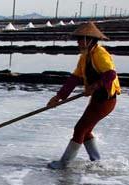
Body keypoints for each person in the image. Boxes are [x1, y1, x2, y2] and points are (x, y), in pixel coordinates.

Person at [46, 22, 121, 169]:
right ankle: (97, 161)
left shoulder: (100, 53)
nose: (78, 42)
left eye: (80, 39)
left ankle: (64, 164)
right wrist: (59, 97)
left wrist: (94, 86)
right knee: (85, 131)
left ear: (89, 39)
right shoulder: (84, 57)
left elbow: (110, 74)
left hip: (106, 100)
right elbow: (74, 78)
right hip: (97, 99)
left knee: (79, 129)